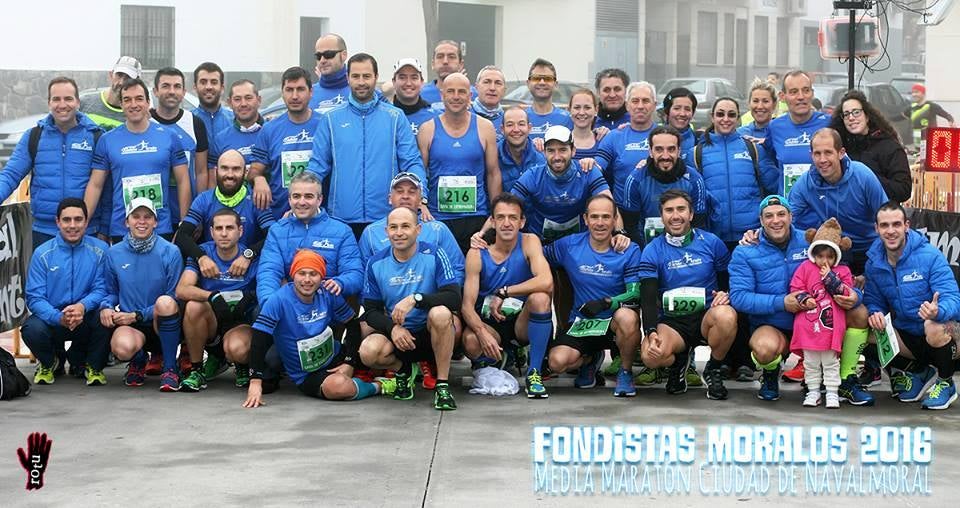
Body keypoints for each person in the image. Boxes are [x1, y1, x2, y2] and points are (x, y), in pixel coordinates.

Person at [243, 249, 394, 407]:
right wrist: (255, 382)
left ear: (321, 276)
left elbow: (352, 324)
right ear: (293, 275)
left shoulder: (327, 292)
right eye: (302, 273)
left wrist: (349, 362)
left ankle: (386, 371)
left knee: (367, 330)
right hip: (307, 374)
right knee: (338, 387)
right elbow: (259, 340)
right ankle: (380, 386)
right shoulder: (278, 300)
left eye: (313, 274)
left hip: (336, 357)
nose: (307, 280)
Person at [307, 53, 427, 237]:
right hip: (341, 219)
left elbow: (411, 162)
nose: (361, 82)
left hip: (387, 218)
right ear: (347, 78)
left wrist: (421, 198)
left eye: (367, 76)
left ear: (376, 77)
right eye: (356, 76)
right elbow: (317, 166)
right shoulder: (331, 119)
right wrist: (302, 196)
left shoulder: (395, 117)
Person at [359, 207, 461, 410]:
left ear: (418, 230)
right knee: (368, 352)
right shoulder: (376, 263)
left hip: (430, 333)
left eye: (405, 226)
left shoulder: (434, 254)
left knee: (441, 313)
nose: (399, 233)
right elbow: (370, 311)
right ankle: (404, 371)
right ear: (386, 231)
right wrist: (392, 328)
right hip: (399, 335)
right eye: (393, 227)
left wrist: (416, 299)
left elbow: (454, 298)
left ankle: (442, 385)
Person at [638, 190, 735, 400]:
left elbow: (729, 279)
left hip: (707, 317)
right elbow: (648, 297)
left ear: (691, 214)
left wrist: (726, 294)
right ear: (662, 216)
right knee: (650, 357)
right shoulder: (652, 249)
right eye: (669, 210)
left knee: (727, 316)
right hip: (673, 322)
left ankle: (713, 368)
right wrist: (651, 331)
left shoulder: (711, 242)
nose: (675, 216)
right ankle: (678, 363)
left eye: (681, 209)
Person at [543, 194, 642, 397]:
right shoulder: (568, 245)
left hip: (614, 323)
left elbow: (635, 293)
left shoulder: (629, 249)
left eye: (606, 217)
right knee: (556, 363)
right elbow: (533, 254)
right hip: (582, 322)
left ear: (615, 220)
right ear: (585, 219)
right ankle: (590, 359)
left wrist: (607, 303)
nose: (600, 223)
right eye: (594, 217)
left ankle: (625, 372)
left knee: (628, 317)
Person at [864, 202, 960, 410]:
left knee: (933, 325)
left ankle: (946, 382)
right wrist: (875, 312)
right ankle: (918, 372)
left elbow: (953, 297)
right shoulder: (873, 262)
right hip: (908, 337)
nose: (891, 231)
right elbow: (873, 299)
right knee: (863, 327)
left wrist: (938, 311)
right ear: (876, 229)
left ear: (906, 226)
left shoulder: (930, 256)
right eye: (884, 225)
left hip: (944, 337)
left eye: (896, 224)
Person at [461, 194, 554, 398]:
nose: (506, 223)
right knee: (470, 340)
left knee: (541, 298)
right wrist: (481, 333)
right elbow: (467, 306)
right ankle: (499, 357)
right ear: (492, 221)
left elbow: (546, 281)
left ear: (522, 222)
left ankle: (534, 373)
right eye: (501, 217)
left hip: (521, 322)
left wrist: (504, 292)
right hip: (490, 324)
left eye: (513, 217)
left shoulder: (529, 241)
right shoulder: (477, 253)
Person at [0, 77, 103, 248]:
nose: (62, 105)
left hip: (87, 230)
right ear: (49, 103)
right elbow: (11, 174)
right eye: (56, 99)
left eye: (68, 98)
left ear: (78, 102)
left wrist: (105, 228)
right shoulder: (33, 137)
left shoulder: (96, 137)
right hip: (44, 232)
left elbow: (104, 186)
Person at [83, 78, 190, 242]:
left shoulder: (169, 137)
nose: (133, 104)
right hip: (122, 227)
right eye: (127, 100)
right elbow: (95, 185)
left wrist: (184, 223)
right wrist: (83, 221)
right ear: (121, 105)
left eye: (139, 99)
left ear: (148, 102)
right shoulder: (107, 140)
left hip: (160, 227)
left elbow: (183, 180)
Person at [728, 195, 810, 402]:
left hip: (811, 321)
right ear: (761, 220)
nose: (776, 220)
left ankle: (833, 376)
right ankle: (770, 373)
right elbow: (739, 297)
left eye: (781, 214)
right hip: (773, 324)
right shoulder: (745, 250)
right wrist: (781, 303)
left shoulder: (811, 242)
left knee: (846, 318)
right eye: (769, 216)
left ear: (791, 216)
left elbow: (837, 272)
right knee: (764, 349)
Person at [22, 198, 109, 386]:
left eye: (78, 219)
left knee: (106, 318)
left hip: (85, 316)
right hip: (54, 317)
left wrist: (82, 306)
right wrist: (58, 317)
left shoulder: (100, 250)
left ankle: (90, 364)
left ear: (86, 222)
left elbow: (102, 288)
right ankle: (50, 362)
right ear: (57, 222)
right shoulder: (42, 253)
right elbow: (34, 297)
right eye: (66, 220)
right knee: (31, 329)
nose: (72, 225)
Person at [100, 197, 184, 391]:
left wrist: (138, 315)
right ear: (126, 222)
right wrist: (106, 306)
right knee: (122, 347)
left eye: (148, 217)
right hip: (132, 325)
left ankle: (170, 368)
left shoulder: (171, 251)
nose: (142, 221)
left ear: (156, 222)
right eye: (136, 216)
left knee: (165, 302)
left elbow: (174, 297)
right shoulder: (114, 253)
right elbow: (111, 292)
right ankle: (138, 360)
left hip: (160, 322)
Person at [175, 208, 259, 392]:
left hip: (238, 321)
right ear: (211, 232)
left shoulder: (250, 257)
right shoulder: (202, 253)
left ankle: (242, 365)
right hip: (211, 321)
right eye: (219, 228)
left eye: (230, 228)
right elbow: (182, 289)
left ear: (240, 231)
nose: (224, 233)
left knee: (238, 349)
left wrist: (250, 296)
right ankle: (197, 370)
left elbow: (268, 288)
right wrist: (212, 296)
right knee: (193, 306)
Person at [418, 72, 501, 252]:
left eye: (462, 92)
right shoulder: (427, 129)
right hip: (438, 218)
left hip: (476, 216)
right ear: (442, 95)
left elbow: (493, 173)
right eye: (450, 91)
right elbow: (419, 172)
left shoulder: (485, 127)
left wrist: (497, 212)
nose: (456, 97)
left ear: (470, 96)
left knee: (475, 267)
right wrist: (421, 204)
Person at [256, 172, 362, 307]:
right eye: (296, 196)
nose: (302, 202)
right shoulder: (277, 231)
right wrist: (269, 304)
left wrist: (340, 283)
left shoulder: (342, 230)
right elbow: (268, 272)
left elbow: (355, 273)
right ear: (289, 200)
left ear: (319, 199)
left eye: (308, 196)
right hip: (290, 305)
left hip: (330, 304)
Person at [690, 97, 779, 247]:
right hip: (712, 238)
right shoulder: (696, 153)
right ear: (712, 117)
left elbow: (776, 186)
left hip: (751, 237)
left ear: (738, 119)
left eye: (731, 115)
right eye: (720, 114)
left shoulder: (754, 149)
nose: (726, 119)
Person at [790, 218, 855, 408]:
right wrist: (804, 299)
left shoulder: (843, 271)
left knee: (830, 362)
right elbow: (795, 287)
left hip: (831, 328)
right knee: (810, 362)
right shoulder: (804, 267)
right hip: (808, 326)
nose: (824, 261)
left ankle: (832, 391)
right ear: (813, 254)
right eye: (820, 256)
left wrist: (830, 278)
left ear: (837, 256)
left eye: (830, 257)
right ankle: (813, 391)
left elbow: (845, 292)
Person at [176, 150, 276, 269]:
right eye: (224, 168)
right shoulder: (203, 200)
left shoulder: (256, 198)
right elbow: (182, 236)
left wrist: (248, 255)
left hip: (248, 269)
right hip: (212, 269)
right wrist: (201, 257)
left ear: (245, 172)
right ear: (216, 171)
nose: (230, 175)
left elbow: (274, 236)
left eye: (236, 169)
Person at [589, 81, 659, 243]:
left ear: (654, 105)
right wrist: (588, 163)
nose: (640, 106)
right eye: (635, 101)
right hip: (624, 216)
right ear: (627, 105)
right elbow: (596, 170)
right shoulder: (614, 137)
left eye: (646, 101)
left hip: (659, 214)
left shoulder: (665, 135)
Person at [358, 172, 462, 275]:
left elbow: (457, 269)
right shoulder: (371, 233)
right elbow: (363, 274)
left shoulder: (438, 230)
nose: (405, 196)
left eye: (412, 192)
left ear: (421, 200)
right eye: (399, 191)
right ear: (390, 198)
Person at [249, 66, 319, 219]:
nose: (294, 96)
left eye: (300, 89)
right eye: (289, 90)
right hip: (280, 216)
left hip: (318, 217)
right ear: (282, 93)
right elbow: (255, 170)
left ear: (311, 92)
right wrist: (258, 179)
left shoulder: (325, 125)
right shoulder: (269, 129)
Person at [623, 126, 709, 247]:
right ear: (650, 152)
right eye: (659, 149)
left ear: (679, 151)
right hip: (647, 248)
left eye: (671, 149)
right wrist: (649, 251)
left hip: (685, 248)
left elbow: (698, 225)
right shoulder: (635, 180)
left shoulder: (694, 180)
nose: (665, 156)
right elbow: (631, 227)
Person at [830, 89, 912, 203]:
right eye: (846, 114)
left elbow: (903, 190)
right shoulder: (841, 148)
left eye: (856, 112)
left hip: (881, 211)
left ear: (867, 116)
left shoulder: (889, 147)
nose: (851, 118)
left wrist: (869, 180)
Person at [150, 67, 210, 217]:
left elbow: (201, 172)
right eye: (165, 86)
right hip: (151, 215)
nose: (172, 91)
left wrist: (199, 212)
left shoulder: (195, 123)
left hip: (186, 213)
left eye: (177, 86)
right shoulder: (145, 122)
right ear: (155, 91)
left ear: (184, 92)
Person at [763, 70, 831, 196]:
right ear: (782, 96)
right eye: (794, 92)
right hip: (789, 206)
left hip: (822, 206)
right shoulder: (774, 127)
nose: (801, 97)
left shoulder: (829, 123)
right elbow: (769, 159)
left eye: (806, 90)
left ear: (812, 93)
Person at [209, 80, 263, 167]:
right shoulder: (220, 140)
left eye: (248, 98)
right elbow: (212, 173)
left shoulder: (274, 132)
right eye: (237, 99)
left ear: (259, 100)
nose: (243, 104)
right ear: (230, 103)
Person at [80, 56, 142, 131]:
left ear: (137, 83)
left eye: (128, 78)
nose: (121, 82)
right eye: (119, 75)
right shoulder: (84, 102)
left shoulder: (136, 115)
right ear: (111, 75)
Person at [497, 107, 545, 193]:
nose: (516, 129)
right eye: (510, 125)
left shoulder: (541, 157)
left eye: (521, 124)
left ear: (529, 128)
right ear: (502, 129)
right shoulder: (493, 156)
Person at [524, 58, 573, 141]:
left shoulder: (568, 119)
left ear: (556, 84)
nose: (542, 82)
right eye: (536, 78)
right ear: (528, 83)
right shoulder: (520, 119)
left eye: (548, 79)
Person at [420, 40, 476, 109]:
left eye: (451, 57)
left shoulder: (475, 95)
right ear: (433, 64)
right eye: (440, 57)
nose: (445, 61)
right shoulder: (420, 95)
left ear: (461, 64)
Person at [192, 62, 234, 150]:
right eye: (203, 82)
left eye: (214, 82)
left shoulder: (235, 120)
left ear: (222, 88)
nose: (208, 87)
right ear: (195, 87)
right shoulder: (188, 120)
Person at [391, 58, 436, 135]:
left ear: (422, 82)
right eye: (402, 77)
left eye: (414, 78)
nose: (408, 83)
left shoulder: (436, 117)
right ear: (394, 82)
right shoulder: (383, 117)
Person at [309, 33, 351, 114]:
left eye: (328, 55)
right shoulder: (308, 94)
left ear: (344, 55)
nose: (322, 60)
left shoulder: (361, 91)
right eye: (318, 56)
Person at [904, 83, 955, 147]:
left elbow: (947, 115)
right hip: (917, 141)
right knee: (918, 152)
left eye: (916, 92)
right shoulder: (911, 107)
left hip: (930, 141)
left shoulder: (931, 106)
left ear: (923, 93)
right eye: (913, 92)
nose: (914, 94)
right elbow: (903, 116)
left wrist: (951, 121)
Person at [738, 78, 779, 143]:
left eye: (765, 101)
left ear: (774, 104)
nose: (760, 106)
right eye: (755, 101)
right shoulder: (739, 134)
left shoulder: (782, 133)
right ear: (749, 103)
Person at [472, 65, 507, 140]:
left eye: (498, 83)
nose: (492, 88)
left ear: (504, 90)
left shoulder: (508, 121)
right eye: (487, 82)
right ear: (476, 87)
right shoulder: (464, 116)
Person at [661, 87, 699, 154]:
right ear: (667, 110)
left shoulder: (699, 141)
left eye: (687, 109)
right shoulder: (654, 138)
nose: (682, 114)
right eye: (677, 108)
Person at [569, 89, 602, 163]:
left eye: (587, 107)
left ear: (596, 110)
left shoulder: (604, 141)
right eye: (577, 107)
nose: (581, 113)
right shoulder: (560, 141)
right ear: (569, 110)